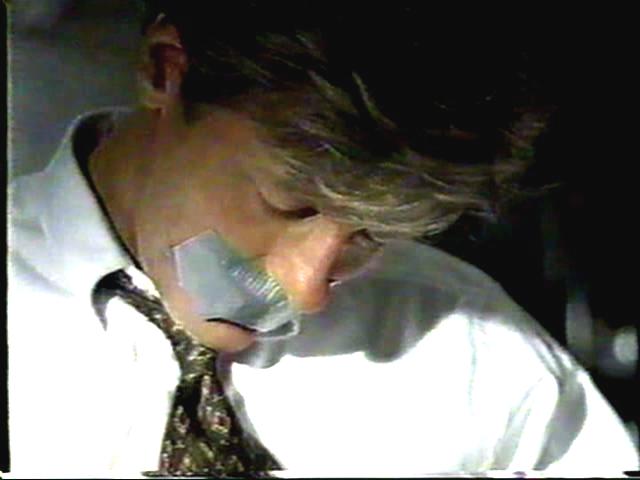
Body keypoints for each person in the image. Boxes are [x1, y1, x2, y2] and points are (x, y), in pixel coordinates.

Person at [7, 2, 639, 477]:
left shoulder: (477, 349)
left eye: (373, 232)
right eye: (290, 204)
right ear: (164, 70)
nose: (305, 291)